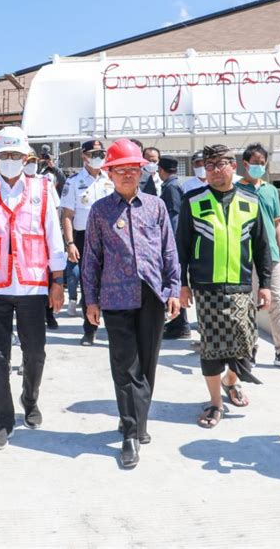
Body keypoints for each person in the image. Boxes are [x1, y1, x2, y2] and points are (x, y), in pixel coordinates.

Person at [0, 126, 65, 451]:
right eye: (4, 155)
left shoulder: (44, 190)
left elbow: (54, 238)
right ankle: (3, 420)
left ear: (26, 158)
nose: (10, 160)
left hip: (33, 286)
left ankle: (29, 399)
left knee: (35, 353)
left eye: (15, 155)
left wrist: (58, 282)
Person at [82, 139, 181, 469]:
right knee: (125, 366)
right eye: (120, 170)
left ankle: (138, 420)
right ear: (109, 173)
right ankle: (129, 431)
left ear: (142, 172)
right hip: (115, 297)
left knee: (147, 364)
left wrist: (172, 289)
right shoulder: (99, 211)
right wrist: (91, 300)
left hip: (152, 295)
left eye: (133, 170)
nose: (127, 175)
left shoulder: (155, 206)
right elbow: (91, 259)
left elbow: (169, 251)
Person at [177, 144, 272, 429]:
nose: (216, 170)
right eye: (210, 165)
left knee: (246, 346)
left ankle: (232, 381)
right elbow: (180, 246)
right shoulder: (193, 200)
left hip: (241, 286)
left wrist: (265, 284)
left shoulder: (251, 199)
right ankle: (215, 402)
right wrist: (182, 284)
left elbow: (262, 246)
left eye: (222, 164)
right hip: (206, 287)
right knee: (212, 348)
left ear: (234, 166)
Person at [237, 143, 280, 369]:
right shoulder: (237, 190)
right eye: (254, 163)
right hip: (246, 255)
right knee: (247, 304)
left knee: (277, 302)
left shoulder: (271, 190)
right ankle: (249, 349)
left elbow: (277, 225)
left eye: (261, 162)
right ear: (245, 164)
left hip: (272, 256)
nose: (258, 166)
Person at [61, 140, 115, 345]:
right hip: (84, 238)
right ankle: (89, 329)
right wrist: (70, 243)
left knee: (111, 284)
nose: (99, 157)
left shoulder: (110, 177)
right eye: (94, 153)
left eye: (101, 153)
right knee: (88, 284)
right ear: (84, 156)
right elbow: (67, 215)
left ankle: (112, 328)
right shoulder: (73, 181)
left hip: (110, 238)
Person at [24, 148, 61, 330]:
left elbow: (55, 209)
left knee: (46, 280)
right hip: (22, 245)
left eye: (33, 160)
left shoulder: (45, 182)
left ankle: (49, 315)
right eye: (28, 160)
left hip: (42, 241)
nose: (31, 164)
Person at [158, 155, 191, 339]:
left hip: (173, 244)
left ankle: (181, 325)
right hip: (175, 243)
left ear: (161, 171)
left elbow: (174, 218)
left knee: (174, 283)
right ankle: (177, 322)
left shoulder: (171, 188)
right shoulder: (174, 186)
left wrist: (169, 242)